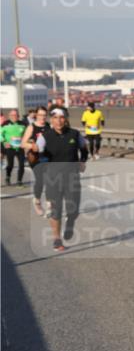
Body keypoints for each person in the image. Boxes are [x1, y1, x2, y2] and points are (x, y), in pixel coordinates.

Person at [34, 107, 88, 251]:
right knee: (55, 210)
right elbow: (39, 154)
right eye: (55, 118)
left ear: (66, 119)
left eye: (61, 117)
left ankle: (70, 221)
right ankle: (57, 239)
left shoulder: (75, 134)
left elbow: (84, 148)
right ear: (51, 119)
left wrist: (82, 161)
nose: (58, 121)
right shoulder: (45, 136)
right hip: (53, 179)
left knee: (74, 210)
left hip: (72, 177)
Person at [21, 107, 52, 216]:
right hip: (35, 157)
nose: (43, 117)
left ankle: (49, 205)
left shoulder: (49, 126)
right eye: (40, 115)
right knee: (40, 180)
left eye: (44, 115)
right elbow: (22, 143)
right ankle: (37, 201)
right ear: (36, 115)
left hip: (47, 156)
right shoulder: (31, 127)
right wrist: (32, 145)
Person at [2, 109, 27, 186]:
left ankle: (19, 181)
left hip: (20, 147)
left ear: (18, 116)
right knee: (10, 165)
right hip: (10, 147)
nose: (14, 117)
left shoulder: (23, 124)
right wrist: (4, 142)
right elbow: (0, 134)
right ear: (9, 116)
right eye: (12, 115)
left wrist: (26, 142)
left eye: (16, 115)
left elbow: (27, 134)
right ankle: (8, 177)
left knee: (22, 165)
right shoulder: (4, 124)